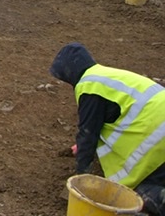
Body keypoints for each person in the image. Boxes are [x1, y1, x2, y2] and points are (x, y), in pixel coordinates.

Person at [49, 42, 165, 215]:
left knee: (141, 195)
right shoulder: (104, 75)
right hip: (158, 120)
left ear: (69, 72)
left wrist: (82, 180)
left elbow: (88, 135)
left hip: (158, 133)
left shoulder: (88, 87)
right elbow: (111, 114)